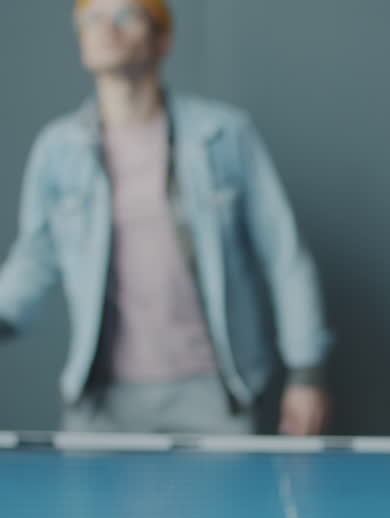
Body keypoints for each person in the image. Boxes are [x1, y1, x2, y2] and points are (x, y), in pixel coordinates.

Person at [0, 0, 334, 436]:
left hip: (214, 396)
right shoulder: (57, 151)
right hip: (100, 402)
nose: (106, 29)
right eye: (91, 19)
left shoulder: (224, 135)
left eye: (126, 16)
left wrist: (307, 372)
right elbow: (35, 257)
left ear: (163, 40)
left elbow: (284, 254)